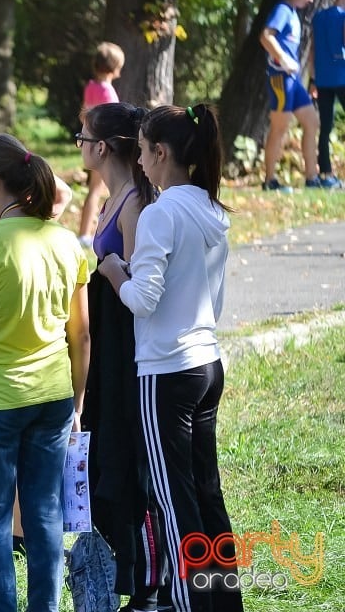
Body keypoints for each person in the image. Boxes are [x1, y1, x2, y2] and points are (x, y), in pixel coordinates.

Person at [97, 104, 244, 612]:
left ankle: (190, 605)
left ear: (160, 153)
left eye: (140, 149)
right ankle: (225, 601)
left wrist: (115, 270)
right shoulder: (211, 207)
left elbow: (143, 299)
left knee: (171, 498)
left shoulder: (161, 212)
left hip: (166, 370)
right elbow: (213, 297)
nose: (138, 158)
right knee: (206, 490)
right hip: (207, 361)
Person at [0, 134, 89, 612]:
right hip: (52, 395)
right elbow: (82, 335)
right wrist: (77, 403)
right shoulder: (66, 241)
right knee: (44, 513)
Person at [77, 103, 168, 612]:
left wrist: (109, 269)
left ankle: (149, 578)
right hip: (110, 341)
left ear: (103, 146)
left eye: (81, 136)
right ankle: (126, 566)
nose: (79, 145)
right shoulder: (115, 196)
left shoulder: (135, 202)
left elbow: (136, 283)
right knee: (107, 443)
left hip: (129, 346)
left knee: (129, 454)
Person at [259, 0, 320, 192]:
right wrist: (283, 59)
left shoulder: (293, 13)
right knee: (280, 127)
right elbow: (266, 36)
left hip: (294, 80)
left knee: (312, 122)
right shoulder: (282, 10)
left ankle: (312, 178)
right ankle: (270, 181)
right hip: (280, 79)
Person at [77, 42, 125, 246]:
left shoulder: (91, 87)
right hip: (103, 145)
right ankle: (88, 234)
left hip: (91, 142)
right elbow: (113, 122)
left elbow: (85, 116)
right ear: (115, 67)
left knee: (94, 189)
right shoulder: (108, 92)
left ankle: (84, 232)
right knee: (102, 189)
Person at [308, 0, 345, 188]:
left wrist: (313, 78)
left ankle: (326, 173)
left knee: (325, 127)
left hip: (322, 79)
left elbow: (312, 50)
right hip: (342, 76)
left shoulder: (319, 17)